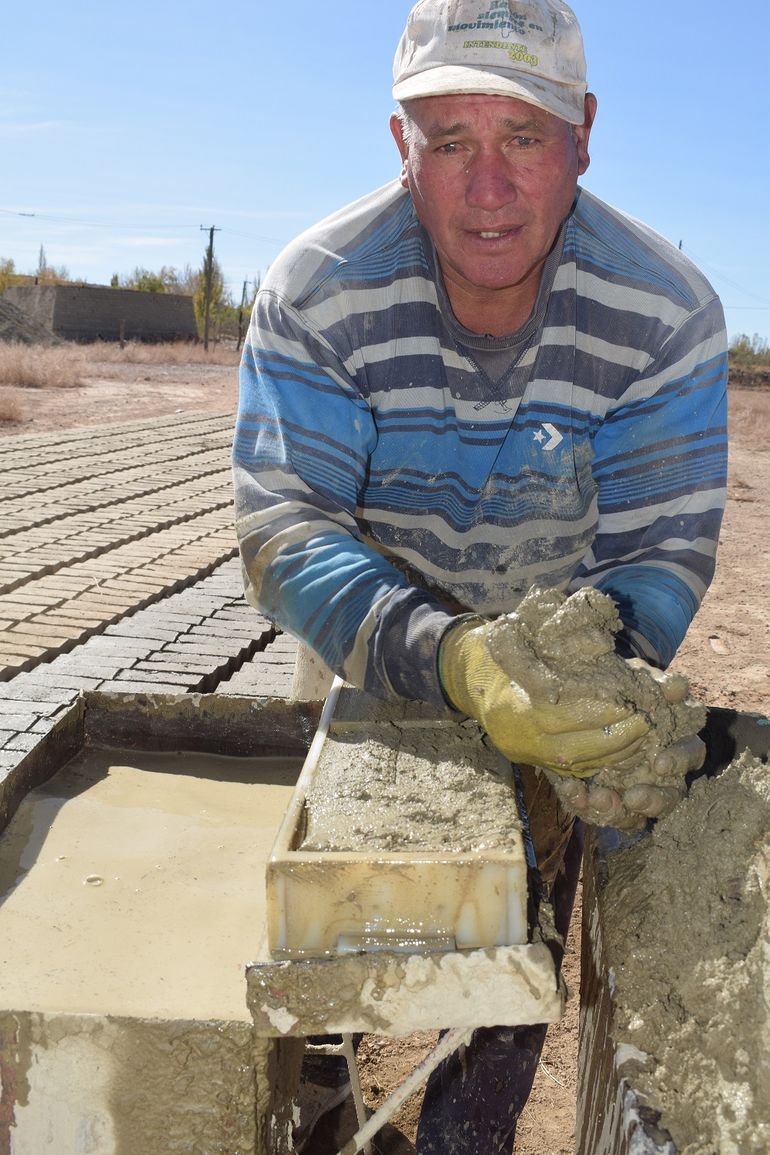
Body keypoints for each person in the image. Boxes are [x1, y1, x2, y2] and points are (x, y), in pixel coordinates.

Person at [233, 0, 727, 1149]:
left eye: (523, 138)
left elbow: (659, 552)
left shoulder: (660, 311)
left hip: (556, 643)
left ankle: (464, 1131)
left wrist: (561, 687)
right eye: (448, 140)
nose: (486, 187)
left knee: (512, 933)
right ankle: (316, 1103)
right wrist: (452, 659)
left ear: (584, 136)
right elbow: (284, 526)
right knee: (318, 928)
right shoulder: (318, 290)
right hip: (366, 631)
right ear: (399, 144)